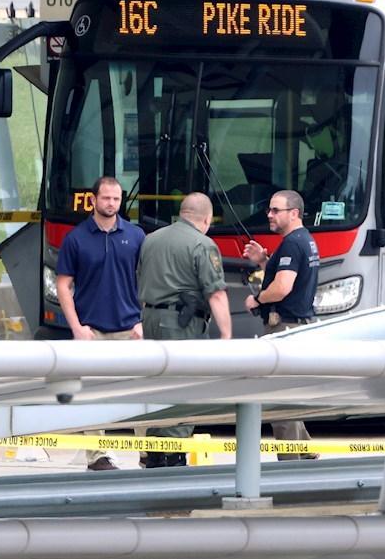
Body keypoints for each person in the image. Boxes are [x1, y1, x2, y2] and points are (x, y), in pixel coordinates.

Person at [137, 192, 232, 468]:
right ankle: (172, 457)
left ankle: (154, 454)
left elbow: (141, 279)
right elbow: (216, 293)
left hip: (150, 319)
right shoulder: (203, 244)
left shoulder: (151, 239)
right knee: (182, 388)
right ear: (206, 219)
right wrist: (226, 338)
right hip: (181, 325)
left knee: (156, 386)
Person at [56, 176, 145, 470]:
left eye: (116, 199)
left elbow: (145, 281)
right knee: (92, 396)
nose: (111, 204)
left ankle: (149, 452)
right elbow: (63, 285)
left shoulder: (135, 236)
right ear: (94, 200)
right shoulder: (76, 238)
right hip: (91, 330)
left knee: (138, 394)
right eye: (106, 198)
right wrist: (77, 328)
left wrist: (141, 321)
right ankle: (99, 456)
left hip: (129, 330)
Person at [243, 189, 320, 460]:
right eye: (270, 210)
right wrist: (264, 261)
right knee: (289, 392)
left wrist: (256, 299)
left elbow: (283, 287)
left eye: (276, 210)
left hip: (284, 326)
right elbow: (289, 276)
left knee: (277, 398)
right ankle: (306, 451)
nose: (270, 215)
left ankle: (290, 465)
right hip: (298, 325)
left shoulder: (292, 244)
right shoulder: (304, 240)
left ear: (294, 213)